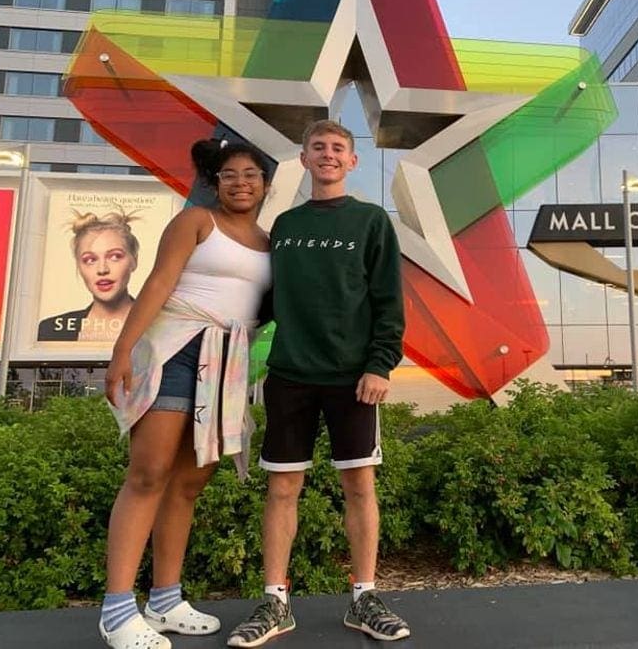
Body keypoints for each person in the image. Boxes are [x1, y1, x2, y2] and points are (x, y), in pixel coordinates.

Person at [228, 119, 407, 647]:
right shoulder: (283, 225)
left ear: (352, 162)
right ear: (304, 160)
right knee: (282, 488)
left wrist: (381, 363)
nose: (328, 155)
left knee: (359, 485)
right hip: (289, 377)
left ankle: (364, 598)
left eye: (338, 148)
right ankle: (275, 603)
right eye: (318, 148)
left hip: (355, 380)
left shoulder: (371, 221)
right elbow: (264, 300)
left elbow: (388, 301)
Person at [99, 139, 272, 649]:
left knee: (189, 483)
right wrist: (122, 351)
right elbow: (156, 283)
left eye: (251, 175)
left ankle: (166, 600)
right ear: (215, 183)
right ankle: (116, 610)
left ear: (265, 184)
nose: (240, 182)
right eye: (229, 175)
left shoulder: (269, 242)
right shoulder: (196, 221)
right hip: (176, 348)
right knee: (149, 473)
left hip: (228, 363)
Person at [38, 209, 140, 342]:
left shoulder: (161, 326)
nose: (102, 269)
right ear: (79, 266)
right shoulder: (51, 331)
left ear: (134, 261)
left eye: (115, 256)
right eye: (90, 260)